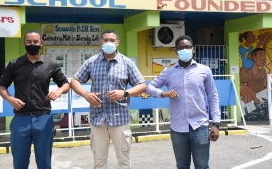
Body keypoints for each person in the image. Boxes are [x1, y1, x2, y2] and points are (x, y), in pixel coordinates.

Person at [70, 29, 146, 169]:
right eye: (105, 40)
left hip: (120, 120)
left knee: (123, 161)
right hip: (97, 119)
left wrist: (124, 93)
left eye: (112, 40)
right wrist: (86, 95)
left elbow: (141, 86)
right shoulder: (92, 62)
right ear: (101, 42)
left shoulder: (126, 63)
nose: (108, 43)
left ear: (118, 42)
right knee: (99, 161)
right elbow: (74, 81)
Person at [146, 35, 220, 169]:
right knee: (182, 166)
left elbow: (213, 96)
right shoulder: (168, 72)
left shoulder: (204, 70)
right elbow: (149, 87)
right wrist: (162, 93)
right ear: (176, 51)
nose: (184, 50)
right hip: (178, 129)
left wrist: (216, 124)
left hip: (200, 126)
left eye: (187, 47)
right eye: (181, 48)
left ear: (193, 49)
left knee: (202, 166)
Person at [0, 30, 70, 169]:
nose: (32, 44)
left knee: (44, 162)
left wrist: (59, 91)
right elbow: (2, 86)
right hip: (20, 119)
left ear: (41, 44)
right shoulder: (15, 64)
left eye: (35, 42)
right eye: (29, 41)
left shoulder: (51, 64)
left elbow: (65, 83)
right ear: (24, 43)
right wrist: (10, 99)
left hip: (43, 118)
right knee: (19, 162)